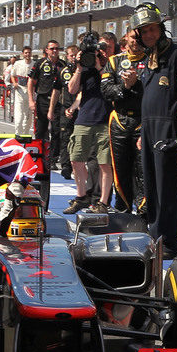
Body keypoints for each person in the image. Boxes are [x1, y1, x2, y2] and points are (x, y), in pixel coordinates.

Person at [134, 3, 177, 259]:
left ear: (161, 29)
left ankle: (169, 243)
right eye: (144, 32)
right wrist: (141, 131)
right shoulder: (148, 57)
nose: (148, 35)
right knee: (152, 187)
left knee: (168, 188)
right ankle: (155, 238)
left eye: (152, 29)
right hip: (148, 128)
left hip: (169, 128)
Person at [62, 32, 113, 215]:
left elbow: (110, 82)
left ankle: (103, 202)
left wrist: (99, 64)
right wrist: (79, 67)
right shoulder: (82, 67)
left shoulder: (109, 64)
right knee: (76, 159)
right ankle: (81, 196)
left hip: (105, 120)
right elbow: (72, 89)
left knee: (105, 164)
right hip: (84, 118)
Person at [101, 33, 145, 214]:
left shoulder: (151, 60)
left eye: (138, 36)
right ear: (126, 39)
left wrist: (136, 84)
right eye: (132, 37)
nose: (135, 40)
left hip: (143, 120)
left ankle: (144, 211)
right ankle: (122, 209)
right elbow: (106, 91)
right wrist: (126, 86)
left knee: (143, 169)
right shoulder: (113, 62)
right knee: (120, 168)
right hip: (119, 119)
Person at [28, 41, 64, 168]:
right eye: (52, 48)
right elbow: (31, 81)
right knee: (41, 130)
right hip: (42, 99)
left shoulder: (62, 65)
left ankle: (53, 159)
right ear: (47, 50)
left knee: (57, 131)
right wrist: (31, 100)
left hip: (58, 102)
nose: (55, 51)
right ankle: (40, 156)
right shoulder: (40, 63)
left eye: (57, 48)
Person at [56, 46, 79, 180]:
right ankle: (66, 166)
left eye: (75, 55)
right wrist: (52, 109)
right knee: (65, 138)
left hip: (80, 109)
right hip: (66, 108)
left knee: (78, 140)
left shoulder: (84, 70)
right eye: (71, 55)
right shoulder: (63, 71)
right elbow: (56, 90)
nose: (73, 58)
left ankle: (76, 165)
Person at [11, 47, 33, 138]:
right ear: (23, 54)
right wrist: (15, 83)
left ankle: (26, 135)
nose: (27, 55)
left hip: (30, 91)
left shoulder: (34, 64)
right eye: (26, 53)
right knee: (19, 114)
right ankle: (17, 133)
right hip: (20, 90)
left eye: (29, 53)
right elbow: (12, 75)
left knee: (28, 115)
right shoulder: (18, 64)